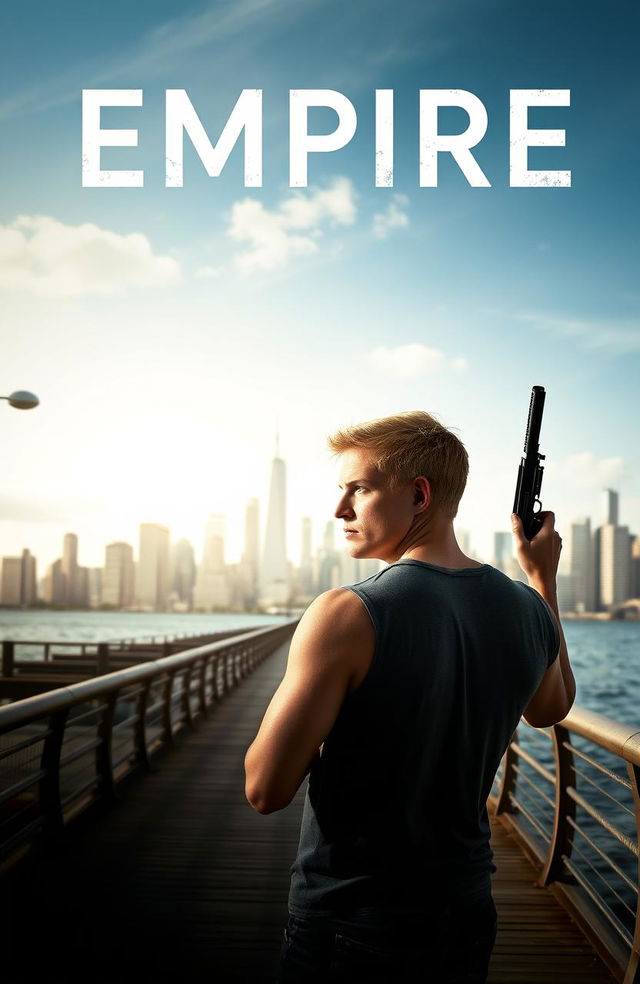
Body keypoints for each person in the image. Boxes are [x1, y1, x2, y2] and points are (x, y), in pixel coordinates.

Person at [244, 411, 575, 983]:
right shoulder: (527, 608)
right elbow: (550, 708)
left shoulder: (346, 613)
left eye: (359, 489)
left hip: (354, 916)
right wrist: (541, 580)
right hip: (466, 909)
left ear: (419, 495)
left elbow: (265, 788)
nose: (339, 509)